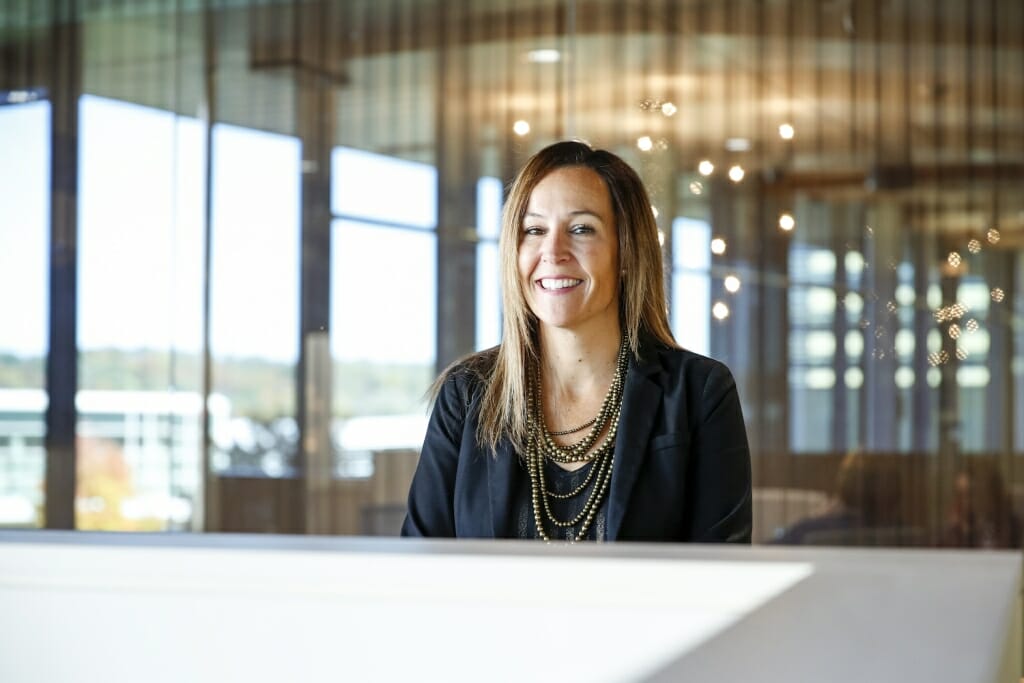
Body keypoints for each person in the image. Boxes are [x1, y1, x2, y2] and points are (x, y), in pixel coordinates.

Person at [401, 140, 751, 542]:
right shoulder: (466, 394)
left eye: (582, 229)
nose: (553, 251)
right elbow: (422, 565)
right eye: (533, 230)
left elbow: (721, 579)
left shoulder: (700, 393)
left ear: (626, 253)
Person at [941, 460, 1021, 549]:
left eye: (968, 494)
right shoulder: (957, 526)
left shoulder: (1009, 525)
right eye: (959, 495)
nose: (962, 501)